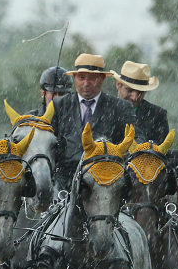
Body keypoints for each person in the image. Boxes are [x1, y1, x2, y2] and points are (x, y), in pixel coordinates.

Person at [51, 53, 138, 191]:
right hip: (64, 182)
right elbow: (49, 140)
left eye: (92, 78)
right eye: (81, 78)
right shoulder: (58, 105)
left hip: (106, 182)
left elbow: (134, 139)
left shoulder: (120, 107)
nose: (86, 84)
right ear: (74, 78)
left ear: (102, 78)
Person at [111, 61, 169, 144]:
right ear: (118, 85)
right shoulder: (102, 108)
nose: (134, 97)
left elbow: (159, 151)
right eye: (130, 90)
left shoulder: (158, 115)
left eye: (140, 92)